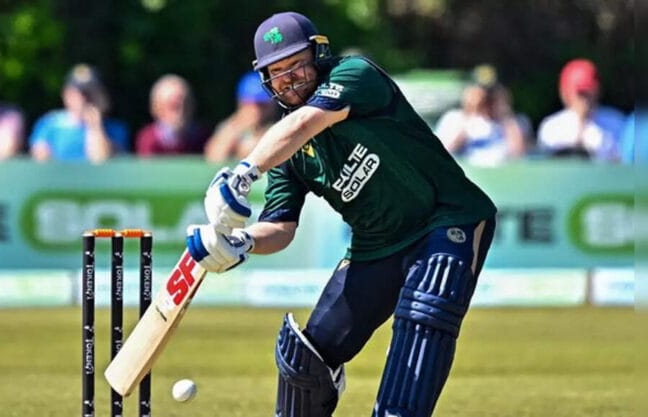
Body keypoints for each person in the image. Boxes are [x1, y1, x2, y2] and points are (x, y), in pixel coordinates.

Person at [185, 12, 497, 417]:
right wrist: (241, 243)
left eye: (296, 64)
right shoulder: (285, 150)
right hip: (376, 246)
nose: (289, 79)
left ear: (318, 54)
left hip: (447, 217)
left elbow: (308, 122)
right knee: (305, 358)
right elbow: (279, 226)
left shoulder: (354, 75)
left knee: (426, 310)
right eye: (276, 73)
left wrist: (244, 172)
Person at [29, 63, 128, 163]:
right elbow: (41, 161)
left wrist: (94, 127)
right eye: (80, 93)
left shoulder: (115, 129)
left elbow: (101, 161)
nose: (85, 99)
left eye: (89, 92)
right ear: (66, 94)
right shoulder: (50, 124)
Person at [434, 66, 526, 166]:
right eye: (480, 92)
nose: (485, 97)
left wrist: (504, 113)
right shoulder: (454, 118)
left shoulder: (513, 122)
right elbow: (444, 152)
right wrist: (469, 114)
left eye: (491, 93)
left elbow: (519, 155)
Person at [537, 58, 625, 161]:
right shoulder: (551, 127)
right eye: (580, 93)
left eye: (589, 92)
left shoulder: (616, 122)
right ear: (565, 93)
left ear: (598, 91)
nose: (585, 99)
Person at [204, 71, 278, 162]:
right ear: (241, 103)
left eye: (262, 105)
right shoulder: (231, 127)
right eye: (251, 104)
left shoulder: (280, 125)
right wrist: (237, 127)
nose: (257, 110)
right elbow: (214, 158)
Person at [135, 74, 210, 156]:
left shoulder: (204, 138)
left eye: (186, 104)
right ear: (156, 108)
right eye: (174, 106)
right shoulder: (148, 139)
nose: (181, 111)